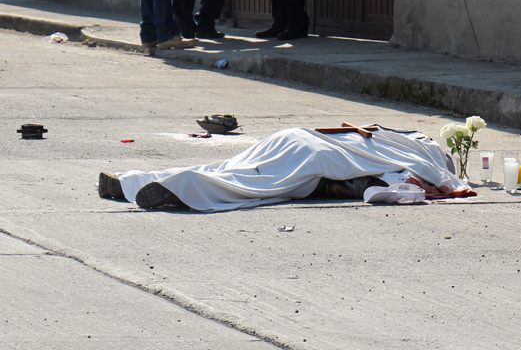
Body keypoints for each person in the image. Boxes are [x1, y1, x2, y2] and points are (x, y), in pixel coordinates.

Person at [96, 125, 475, 212]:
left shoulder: (385, 138)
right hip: (313, 153)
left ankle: (133, 181)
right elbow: (414, 179)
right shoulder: (413, 152)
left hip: (298, 137)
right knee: (263, 183)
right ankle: (186, 188)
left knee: (235, 165)